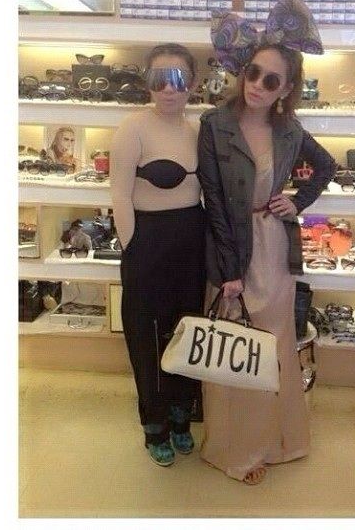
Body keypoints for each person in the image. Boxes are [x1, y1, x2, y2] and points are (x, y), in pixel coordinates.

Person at [198, 0, 337, 484]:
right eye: (253, 73)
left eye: (271, 79)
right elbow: (215, 203)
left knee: (274, 345)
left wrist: (296, 201)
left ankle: (276, 442)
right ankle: (237, 450)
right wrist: (228, 273)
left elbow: (326, 166)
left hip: (275, 249)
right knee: (234, 349)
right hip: (233, 249)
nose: (257, 84)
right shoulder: (215, 125)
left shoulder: (289, 129)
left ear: (286, 88)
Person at [110, 44, 206, 467]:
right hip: (146, 241)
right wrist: (132, 245)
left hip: (191, 240)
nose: (169, 88)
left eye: (179, 79)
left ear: (193, 84)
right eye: (159, 79)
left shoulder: (198, 130)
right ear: (147, 82)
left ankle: (183, 416)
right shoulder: (132, 128)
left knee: (187, 331)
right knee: (145, 337)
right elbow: (119, 194)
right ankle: (155, 425)